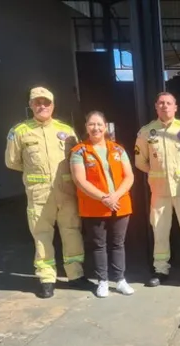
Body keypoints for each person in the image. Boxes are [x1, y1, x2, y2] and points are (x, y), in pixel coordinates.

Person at [5, 87, 90, 298]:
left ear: (53, 105)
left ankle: (75, 274)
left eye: (46, 102)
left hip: (66, 191)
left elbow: (77, 158)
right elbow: (13, 162)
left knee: (71, 232)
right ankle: (46, 278)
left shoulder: (67, 130)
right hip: (39, 193)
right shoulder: (20, 132)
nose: (42, 106)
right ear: (31, 105)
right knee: (42, 235)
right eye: (37, 102)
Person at [134, 92, 180, 287]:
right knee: (160, 230)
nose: (165, 106)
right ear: (156, 107)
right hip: (159, 192)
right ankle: (160, 269)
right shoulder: (146, 132)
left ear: (175, 107)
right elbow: (141, 162)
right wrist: (158, 173)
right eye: (161, 103)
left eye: (169, 103)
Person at [69, 111, 136, 298]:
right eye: (92, 124)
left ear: (105, 127)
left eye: (99, 124)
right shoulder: (79, 151)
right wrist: (103, 198)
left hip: (120, 204)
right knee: (99, 245)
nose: (96, 128)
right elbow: (80, 180)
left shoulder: (118, 150)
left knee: (118, 243)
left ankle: (120, 280)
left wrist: (115, 196)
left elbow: (129, 176)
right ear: (86, 127)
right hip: (94, 206)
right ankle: (103, 281)